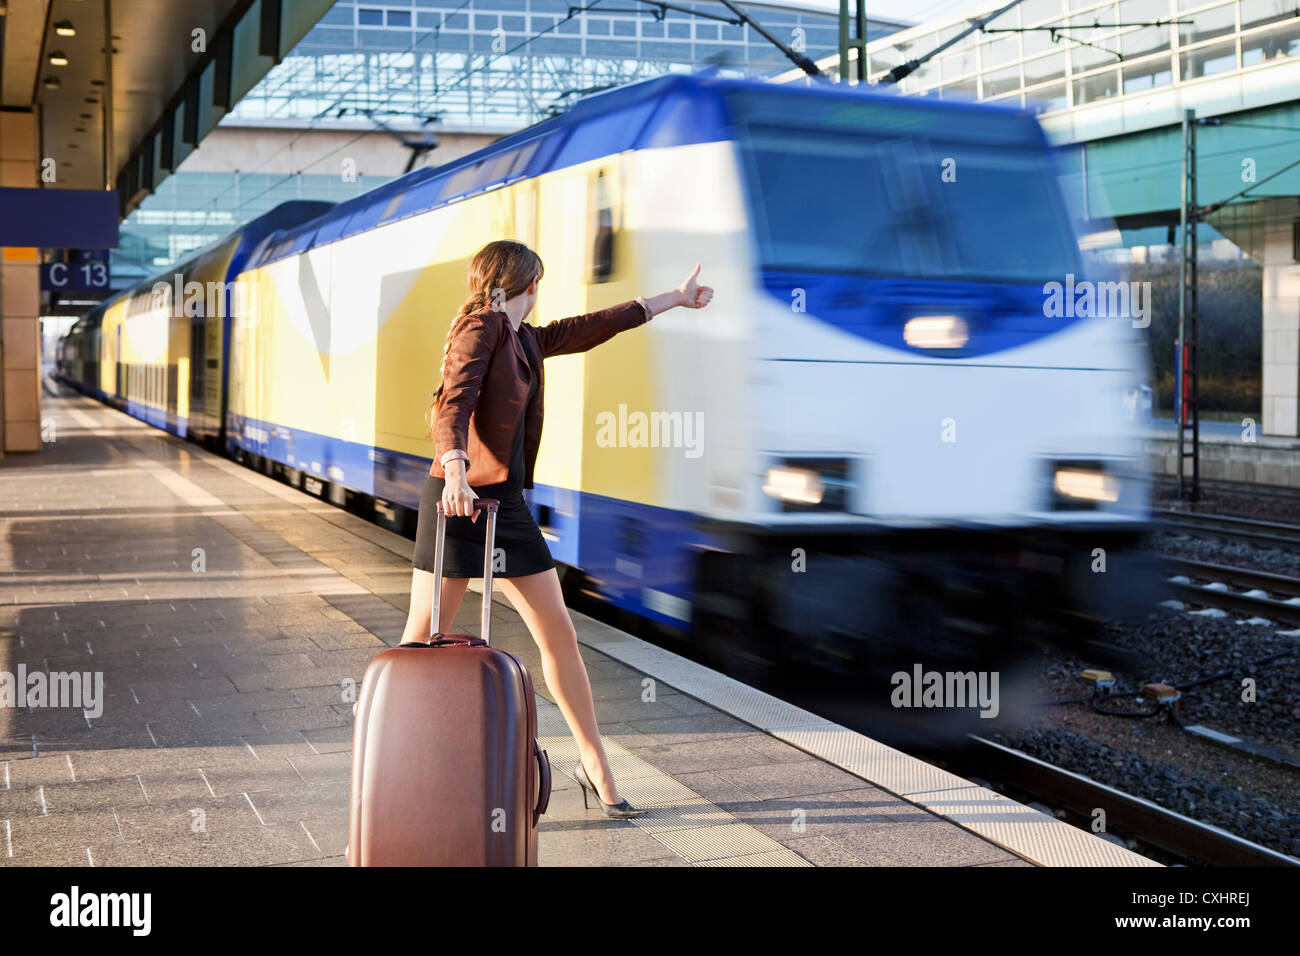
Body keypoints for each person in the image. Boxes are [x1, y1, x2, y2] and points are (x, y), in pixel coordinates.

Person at [407, 239, 713, 818]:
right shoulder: (481, 327)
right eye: (537, 281)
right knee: (421, 641)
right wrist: (453, 470)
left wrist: (674, 298)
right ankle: (393, 765)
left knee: (558, 634)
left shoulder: (526, 337)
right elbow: (456, 401)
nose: (539, 291)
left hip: (507, 509)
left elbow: (594, 325)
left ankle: (594, 761)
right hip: (458, 501)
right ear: (525, 283)